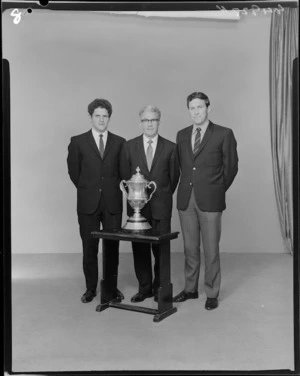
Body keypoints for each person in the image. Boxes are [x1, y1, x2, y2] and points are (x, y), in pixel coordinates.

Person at [173, 92, 238, 310]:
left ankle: (211, 292)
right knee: (190, 248)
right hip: (186, 201)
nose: (196, 112)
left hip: (211, 200)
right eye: (192, 108)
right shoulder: (181, 135)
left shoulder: (223, 133)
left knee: (211, 249)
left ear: (208, 108)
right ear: (188, 110)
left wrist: (217, 189)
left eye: (200, 107)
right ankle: (190, 289)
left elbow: (231, 168)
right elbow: (181, 167)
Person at [67, 98, 125, 303]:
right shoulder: (78, 142)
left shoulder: (119, 142)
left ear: (109, 117)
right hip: (88, 203)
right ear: (91, 117)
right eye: (97, 116)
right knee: (89, 247)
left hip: (112, 204)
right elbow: (74, 173)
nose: (101, 119)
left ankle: (111, 288)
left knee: (112, 247)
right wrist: (89, 189)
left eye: (105, 116)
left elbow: (123, 172)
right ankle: (90, 288)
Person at [120, 105, 180, 303]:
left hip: (161, 207)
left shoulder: (171, 147)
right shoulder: (129, 146)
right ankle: (144, 288)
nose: (149, 124)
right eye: (145, 120)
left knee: (161, 250)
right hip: (138, 209)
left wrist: (160, 195)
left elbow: (173, 178)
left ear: (159, 122)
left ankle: (159, 289)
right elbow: (124, 176)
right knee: (140, 250)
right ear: (140, 123)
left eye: (153, 120)